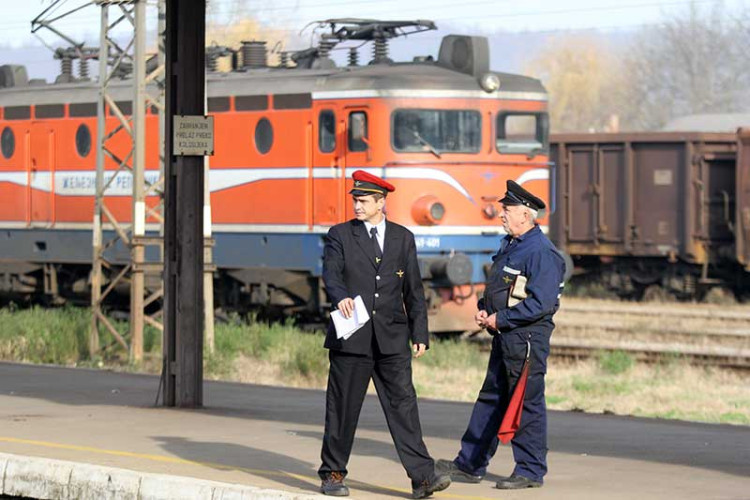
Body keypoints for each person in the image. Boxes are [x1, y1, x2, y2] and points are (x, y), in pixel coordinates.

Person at [318, 170, 451, 498]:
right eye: (355, 200)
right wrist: (340, 297)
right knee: (343, 407)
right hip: (353, 338)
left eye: (363, 201)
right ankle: (333, 473)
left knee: (404, 408)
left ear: (381, 203)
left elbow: (413, 290)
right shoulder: (340, 235)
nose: (357, 206)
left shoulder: (402, 238)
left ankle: (423, 478)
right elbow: (331, 275)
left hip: (392, 339)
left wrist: (420, 332)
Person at [437, 180, 565, 490]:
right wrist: (485, 309)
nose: (501, 214)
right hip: (507, 335)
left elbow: (542, 304)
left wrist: (501, 318)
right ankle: (470, 464)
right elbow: (503, 288)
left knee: (525, 403)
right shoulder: (513, 244)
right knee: (491, 399)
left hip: (526, 340)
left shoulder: (541, 252)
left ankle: (531, 471)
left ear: (525, 214)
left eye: (506, 210)